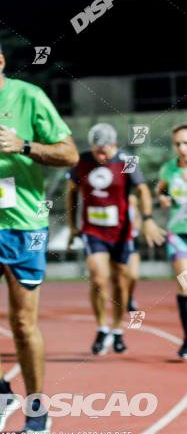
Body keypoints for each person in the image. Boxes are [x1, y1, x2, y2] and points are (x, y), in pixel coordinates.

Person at [0, 30, 79, 434]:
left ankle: (37, 404)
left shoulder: (28, 97)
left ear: (0, 64)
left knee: (23, 325)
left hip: (25, 229)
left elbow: (69, 153)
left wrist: (24, 146)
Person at [67, 122, 165, 355]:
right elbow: (71, 191)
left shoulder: (127, 161)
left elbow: (142, 189)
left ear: (115, 145)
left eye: (105, 151)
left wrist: (148, 218)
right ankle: (102, 328)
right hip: (93, 231)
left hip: (121, 231)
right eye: (96, 150)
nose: (101, 155)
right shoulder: (81, 161)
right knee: (99, 278)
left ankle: (118, 329)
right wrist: (72, 226)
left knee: (122, 281)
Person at [155, 122, 187, 359]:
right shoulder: (168, 169)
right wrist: (163, 198)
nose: (182, 148)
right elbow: (161, 189)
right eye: (178, 144)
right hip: (178, 233)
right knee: (185, 284)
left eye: (186, 143)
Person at [126, 195, 141, 312]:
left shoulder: (132, 199)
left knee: (134, 275)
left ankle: (129, 296)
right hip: (114, 240)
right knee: (118, 276)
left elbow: (137, 219)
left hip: (131, 240)